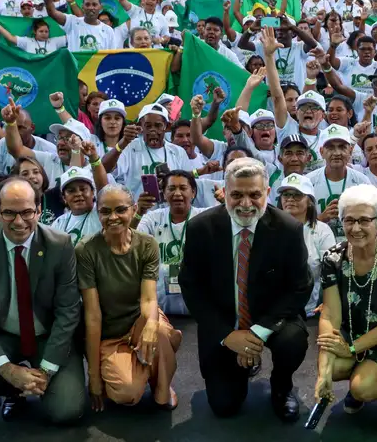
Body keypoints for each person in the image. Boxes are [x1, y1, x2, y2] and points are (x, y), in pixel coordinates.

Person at [179, 158, 312, 421]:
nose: (246, 203)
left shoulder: (289, 229)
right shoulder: (200, 228)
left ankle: (281, 386)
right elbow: (192, 288)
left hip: (270, 319)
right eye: (237, 195)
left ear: (267, 193)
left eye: (254, 195)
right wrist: (227, 336)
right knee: (224, 406)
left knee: (293, 340)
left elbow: (300, 287)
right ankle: (240, 364)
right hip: (224, 323)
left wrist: (256, 334)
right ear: (224, 192)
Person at [0, 176, 85, 424]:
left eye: (27, 212)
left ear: (39, 210)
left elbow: (68, 311)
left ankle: (35, 382)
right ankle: (13, 387)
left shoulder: (60, 245)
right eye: (9, 213)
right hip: (4, 333)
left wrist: (46, 371)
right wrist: (7, 370)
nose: (19, 222)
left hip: (48, 335)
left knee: (67, 409)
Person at [314, 184, 377, 418]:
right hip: (353, 330)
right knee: (332, 367)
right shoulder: (333, 258)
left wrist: (351, 349)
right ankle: (364, 374)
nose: (356, 228)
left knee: (363, 388)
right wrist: (323, 374)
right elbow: (330, 314)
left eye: (364, 220)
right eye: (349, 220)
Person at [78, 185, 183, 411]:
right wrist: (93, 376)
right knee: (127, 393)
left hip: (139, 320)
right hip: (110, 334)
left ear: (134, 209)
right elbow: (93, 315)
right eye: (105, 211)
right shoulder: (86, 250)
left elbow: (149, 299)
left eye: (121, 210)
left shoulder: (146, 244)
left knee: (159, 331)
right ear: (97, 213)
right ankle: (152, 361)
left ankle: (162, 385)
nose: (113, 217)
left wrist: (151, 325)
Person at [136, 169, 209, 316]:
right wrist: (138, 213)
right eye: (171, 188)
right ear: (163, 193)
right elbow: (131, 241)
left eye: (183, 188)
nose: (177, 193)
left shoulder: (206, 217)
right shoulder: (152, 218)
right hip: (160, 309)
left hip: (198, 310)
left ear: (193, 192)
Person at [275, 173, 336, 318]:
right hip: (274, 309)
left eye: (297, 195)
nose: (290, 199)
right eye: (286, 194)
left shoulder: (322, 231)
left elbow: (332, 272)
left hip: (310, 312)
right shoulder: (269, 228)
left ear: (309, 201)